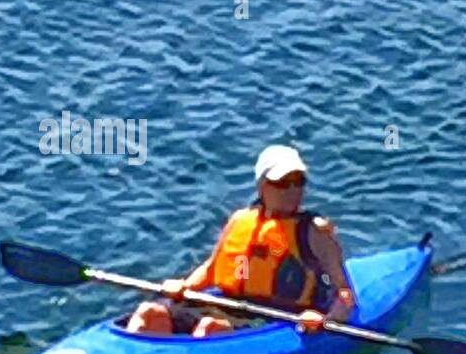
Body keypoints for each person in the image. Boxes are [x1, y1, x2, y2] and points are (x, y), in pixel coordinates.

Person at [126, 144, 355, 337]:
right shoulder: (240, 220)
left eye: (299, 181)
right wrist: (183, 286)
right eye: (282, 183)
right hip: (231, 305)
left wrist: (324, 319)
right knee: (149, 312)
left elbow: (345, 295)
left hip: (275, 317)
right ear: (262, 186)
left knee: (210, 328)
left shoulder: (315, 232)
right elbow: (212, 269)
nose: (292, 190)